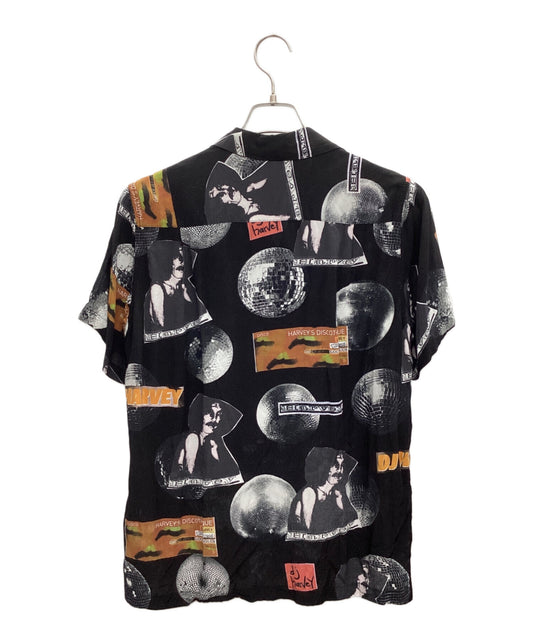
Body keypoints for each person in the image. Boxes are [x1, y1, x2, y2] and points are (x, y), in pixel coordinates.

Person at [288, 448, 359, 535]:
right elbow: (307, 528)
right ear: (325, 467)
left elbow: (353, 521)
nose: (340, 471)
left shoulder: (338, 493)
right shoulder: (309, 492)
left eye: (342, 466)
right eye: (336, 466)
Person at [144, 240, 208, 336]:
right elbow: (160, 325)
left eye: (182, 255)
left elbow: (204, 317)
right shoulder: (157, 288)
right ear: (167, 261)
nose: (182, 260)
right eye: (177, 256)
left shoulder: (186, 286)